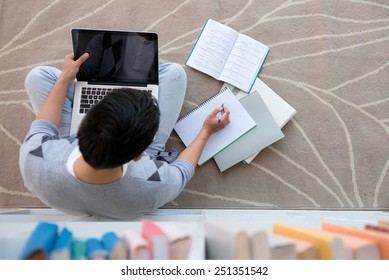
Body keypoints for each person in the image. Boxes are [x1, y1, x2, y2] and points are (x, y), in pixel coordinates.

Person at [19, 53, 230, 220]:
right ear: (140, 155)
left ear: (84, 124)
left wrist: (66, 77)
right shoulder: (154, 183)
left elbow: (44, 125)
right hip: (127, 176)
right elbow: (182, 170)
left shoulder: (34, 156)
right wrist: (206, 131)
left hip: (69, 168)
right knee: (174, 73)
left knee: (38, 76)